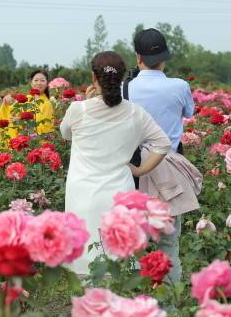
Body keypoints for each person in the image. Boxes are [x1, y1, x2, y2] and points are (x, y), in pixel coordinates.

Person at [60, 51, 171, 275]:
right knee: (120, 265)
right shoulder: (135, 113)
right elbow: (163, 144)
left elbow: (66, 134)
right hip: (120, 194)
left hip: (83, 194)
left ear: (94, 77)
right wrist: (140, 169)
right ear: (122, 78)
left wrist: (88, 101)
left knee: (84, 268)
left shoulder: (78, 110)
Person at [124, 28, 196, 284]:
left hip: (133, 172)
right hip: (170, 170)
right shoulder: (179, 86)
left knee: (132, 239)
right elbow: (189, 113)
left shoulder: (126, 89)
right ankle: (170, 301)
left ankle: (136, 296)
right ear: (165, 57)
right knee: (169, 243)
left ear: (137, 57)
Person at [0, 70, 55, 148]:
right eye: (36, 80)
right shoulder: (25, 99)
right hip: (19, 142)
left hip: (36, 145)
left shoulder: (47, 104)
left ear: (47, 84)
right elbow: (10, 111)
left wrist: (21, 120)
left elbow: (45, 129)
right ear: (31, 83)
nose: (39, 83)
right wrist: (5, 102)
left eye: (42, 80)